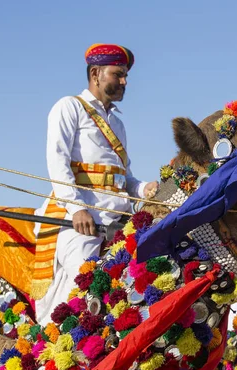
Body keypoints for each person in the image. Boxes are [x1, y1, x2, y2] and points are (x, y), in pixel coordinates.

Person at [32, 43, 158, 324]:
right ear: (95, 73)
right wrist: (76, 209)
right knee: (79, 299)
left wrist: (144, 189)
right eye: (118, 74)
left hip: (117, 223)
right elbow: (57, 161)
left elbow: (124, 178)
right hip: (81, 222)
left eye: (125, 75)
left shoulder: (118, 123)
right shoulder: (69, 107)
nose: (124, 81)